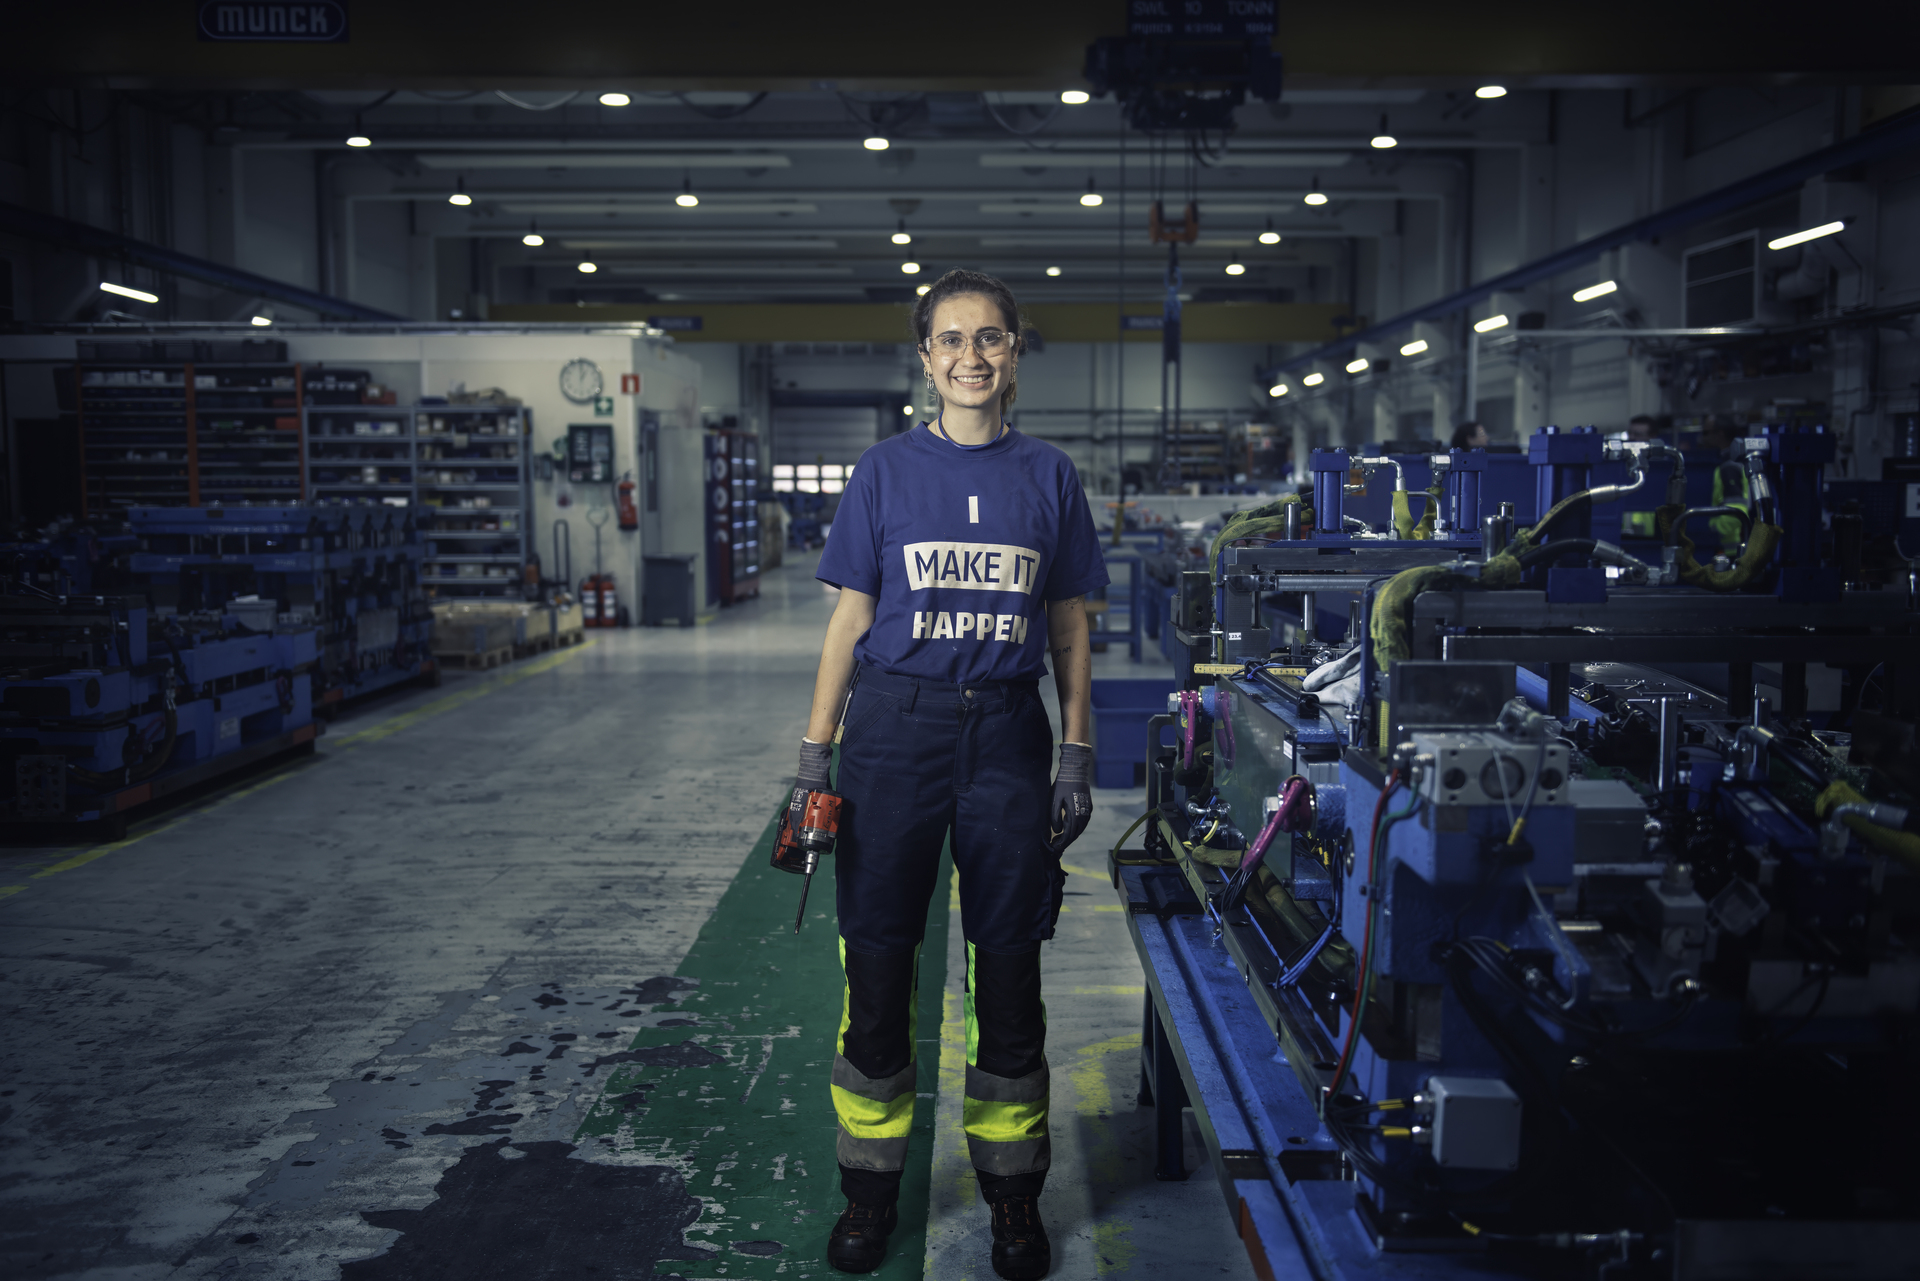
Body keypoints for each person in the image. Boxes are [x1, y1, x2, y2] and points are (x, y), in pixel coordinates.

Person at [797, 268, 1109, 1279]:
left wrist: (1075, 747)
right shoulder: (883, 473)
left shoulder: (1050, 476)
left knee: (1008, 966)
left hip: (1007, 740)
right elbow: (849, 620)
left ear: (1015, 352)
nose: (972, 356)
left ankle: (1013, 1199)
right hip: (892, 733)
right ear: (926, 358)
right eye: (952, 340)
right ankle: (868, 1192)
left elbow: (1067, 625)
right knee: (879, 960)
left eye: (991, 338)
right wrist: (814, 757)